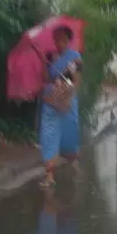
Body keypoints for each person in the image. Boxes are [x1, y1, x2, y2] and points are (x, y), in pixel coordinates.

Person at [39, 26, 82, 188]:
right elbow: (46, 78)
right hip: (50, 102)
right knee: (49, 136)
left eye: (63, 40)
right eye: (57, 40)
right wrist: (44, 62)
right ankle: (49, 175)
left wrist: (66, 90)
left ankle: (74, 165)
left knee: (69, 136)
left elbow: (76, 81)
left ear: (69, 41)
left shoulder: (75, 57)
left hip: (67, 102)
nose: (60, 43)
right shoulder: (50, 56)